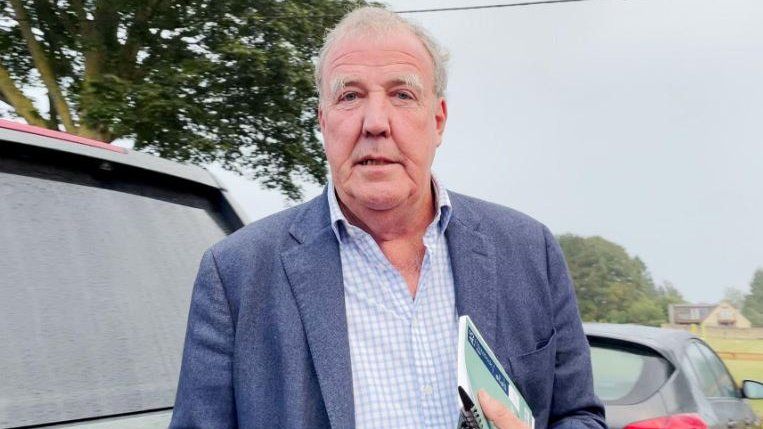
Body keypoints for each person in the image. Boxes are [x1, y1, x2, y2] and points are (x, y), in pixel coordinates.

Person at [170, 7, 606, 429]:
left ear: (438, 120)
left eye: (402, 94)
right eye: (350, 96)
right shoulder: (236, 278)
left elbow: (580, 416)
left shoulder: (530, 253)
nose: (375, 122)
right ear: (323, 123)